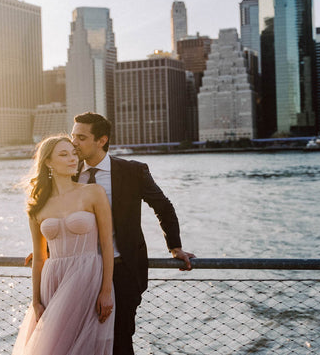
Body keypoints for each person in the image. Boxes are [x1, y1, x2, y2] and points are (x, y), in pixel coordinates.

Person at [71, 112, 195, 355]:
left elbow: (164, 207)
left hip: (123, 270)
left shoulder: (133, 172)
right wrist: (46, 248)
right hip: (79, 269)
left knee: (120, 340)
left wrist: (175, 247)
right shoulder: (68, 171)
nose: (74, 143)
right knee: (81, 341)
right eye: (72, 136)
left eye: (81, 137)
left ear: (102, 140)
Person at [13, 135, 115, 354]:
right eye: (63, 154)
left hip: (88, 277)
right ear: (48, 162)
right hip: (53, 280)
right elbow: (40, 258)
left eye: (73, 154)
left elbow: (107, 245)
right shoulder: (37, 206)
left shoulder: (93, 193)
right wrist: (35, 301)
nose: (72, 159)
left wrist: (106, 291)